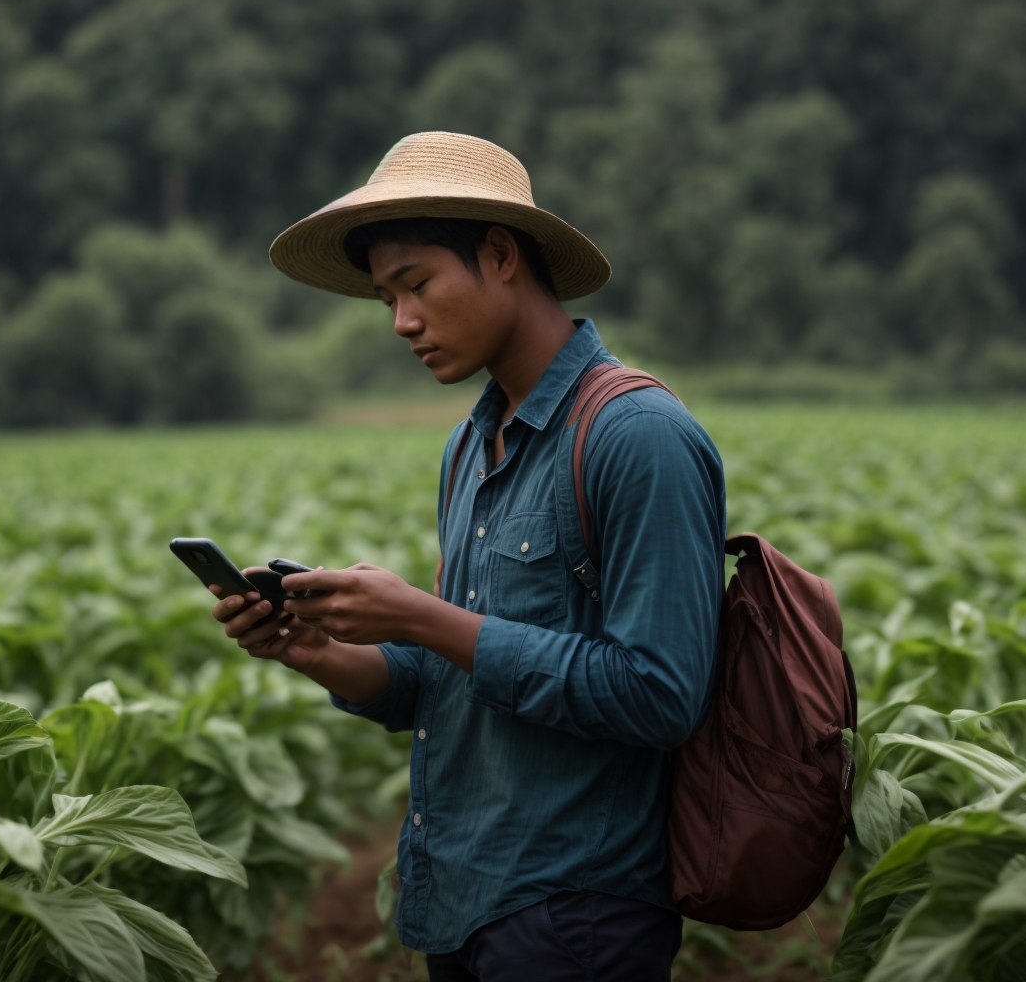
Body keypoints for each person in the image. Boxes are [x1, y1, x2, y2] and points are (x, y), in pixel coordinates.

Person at [212, 131, 725, 980]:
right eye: (385, 301)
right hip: (461, 900)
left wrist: (422, 614)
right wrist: (319, 652)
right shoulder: (471, 444)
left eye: (416, 285)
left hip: (577, 915)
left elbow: (661, 695)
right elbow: (447, 685)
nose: (403, 322)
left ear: (499, 255)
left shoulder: (638, 436)